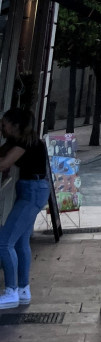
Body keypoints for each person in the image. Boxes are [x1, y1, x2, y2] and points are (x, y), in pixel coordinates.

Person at [0, 108, 52, 309]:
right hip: (30, 190)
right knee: (21, 242)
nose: (2, 128)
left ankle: (11, 291)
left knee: (4, 243)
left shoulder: (25, 142)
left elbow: (4, 163)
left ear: (15, 126)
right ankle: (23, 290)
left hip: (32, 191)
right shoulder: (18, 141)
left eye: (4, 125)